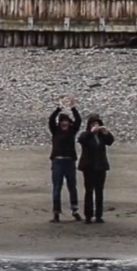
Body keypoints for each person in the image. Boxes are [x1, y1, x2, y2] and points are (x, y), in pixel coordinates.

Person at [48, 95, 82, 223]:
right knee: (57, 187)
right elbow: (51, 119)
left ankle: (75, 210)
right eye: (62, 121)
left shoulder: (72, 131)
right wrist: (58, 108)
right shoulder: (55, 131)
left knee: (72, 186)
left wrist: (73, 108)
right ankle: (56, 212)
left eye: (66, 121)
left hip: (69, 161)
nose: (64, 123)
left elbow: (78, 120)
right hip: (57, 161)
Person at [77, 113, 115, 224]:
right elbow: (81, 140)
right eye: (93, 124)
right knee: (89, 191)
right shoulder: (86, 135)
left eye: (97, 124)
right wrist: (91, 132)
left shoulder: (101, 137)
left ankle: (99, 215)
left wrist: (106, 133)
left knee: (99, 191)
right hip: (88, 167)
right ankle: (88, 215)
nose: (96, 126)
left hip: (100, 167)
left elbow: (110, 141)